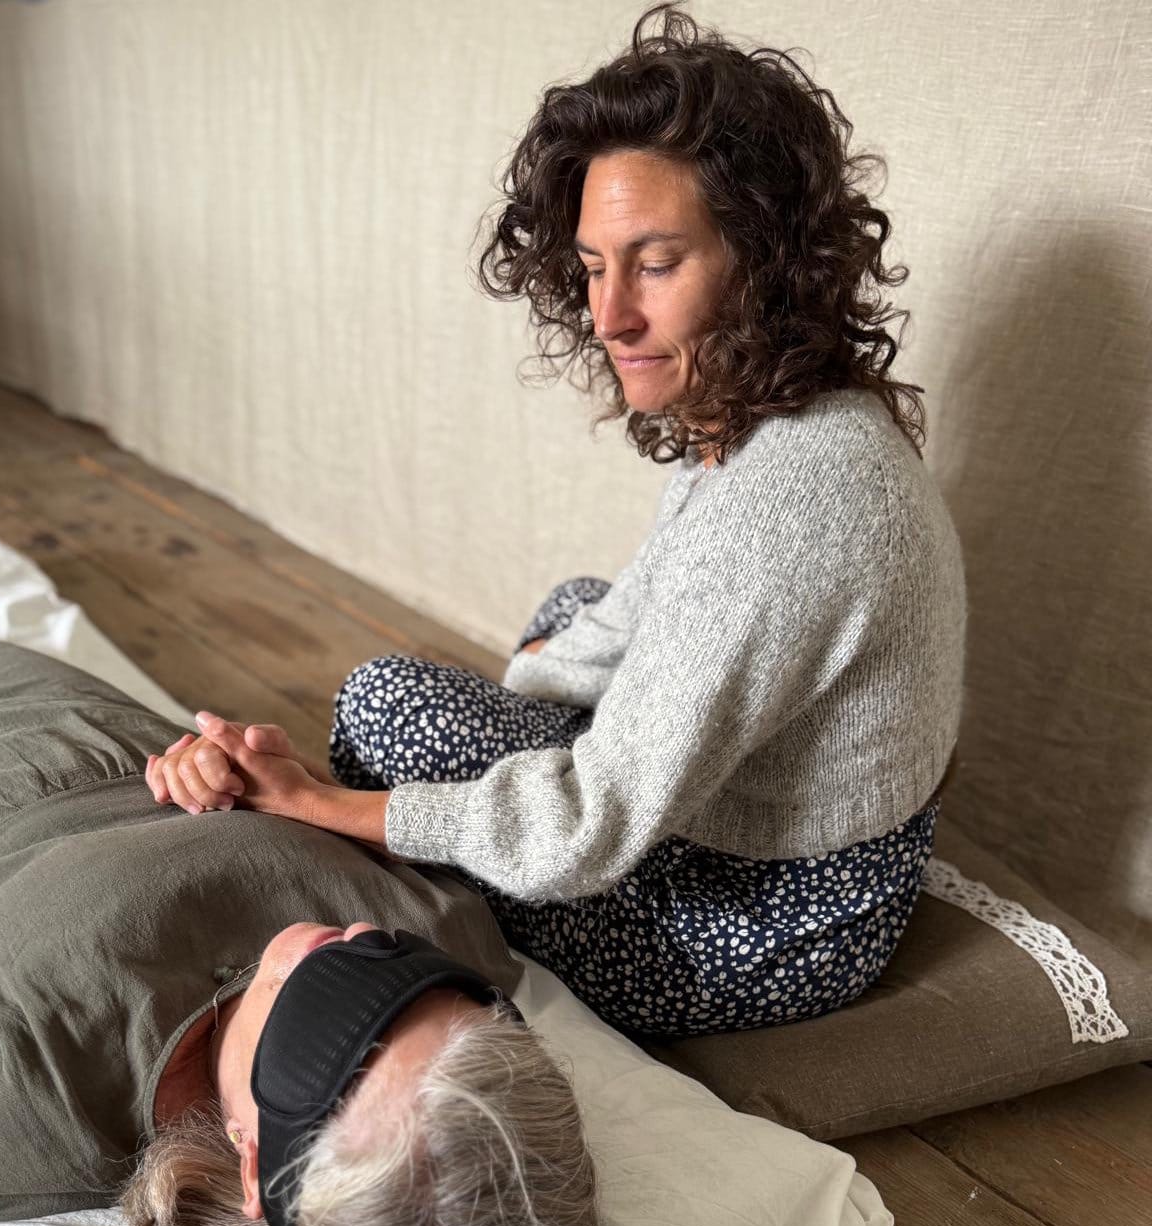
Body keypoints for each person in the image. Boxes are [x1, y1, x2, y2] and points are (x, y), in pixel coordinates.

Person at [147, 3, 966, 1044]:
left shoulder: (800, 499)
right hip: (795, 856)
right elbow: (631, 619)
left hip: (764, 932)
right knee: (573, 616)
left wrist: (323, 804)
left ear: (766, 256)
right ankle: (434, 795)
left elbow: (588, 829)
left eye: (655, 263)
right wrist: (517, 707)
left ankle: (382, 833)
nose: (611, 314)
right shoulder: (781, 422)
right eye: (591, 266)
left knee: (386, 706)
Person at [0, 634, 600, 1226]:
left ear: (257, 1163)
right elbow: (334, 814)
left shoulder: (34, 1106)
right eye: (424, 982)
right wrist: (269, 779)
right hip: (80, 716)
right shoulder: (463, 935)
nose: (358, 941)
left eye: (345, 1023)